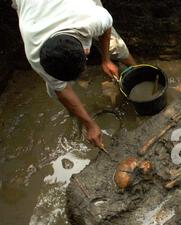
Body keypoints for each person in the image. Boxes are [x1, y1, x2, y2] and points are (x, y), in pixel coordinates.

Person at [12, 0, 136, 149]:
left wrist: (106, 59)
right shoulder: (35, 55)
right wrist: (89, 124)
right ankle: (76, 114)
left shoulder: (92, 19)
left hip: (75, 9)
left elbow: (107, 25)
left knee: (115, 46)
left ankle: (137, 70)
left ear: (85, 51)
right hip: (31, 7)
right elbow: (61, 90)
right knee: (54, 90)